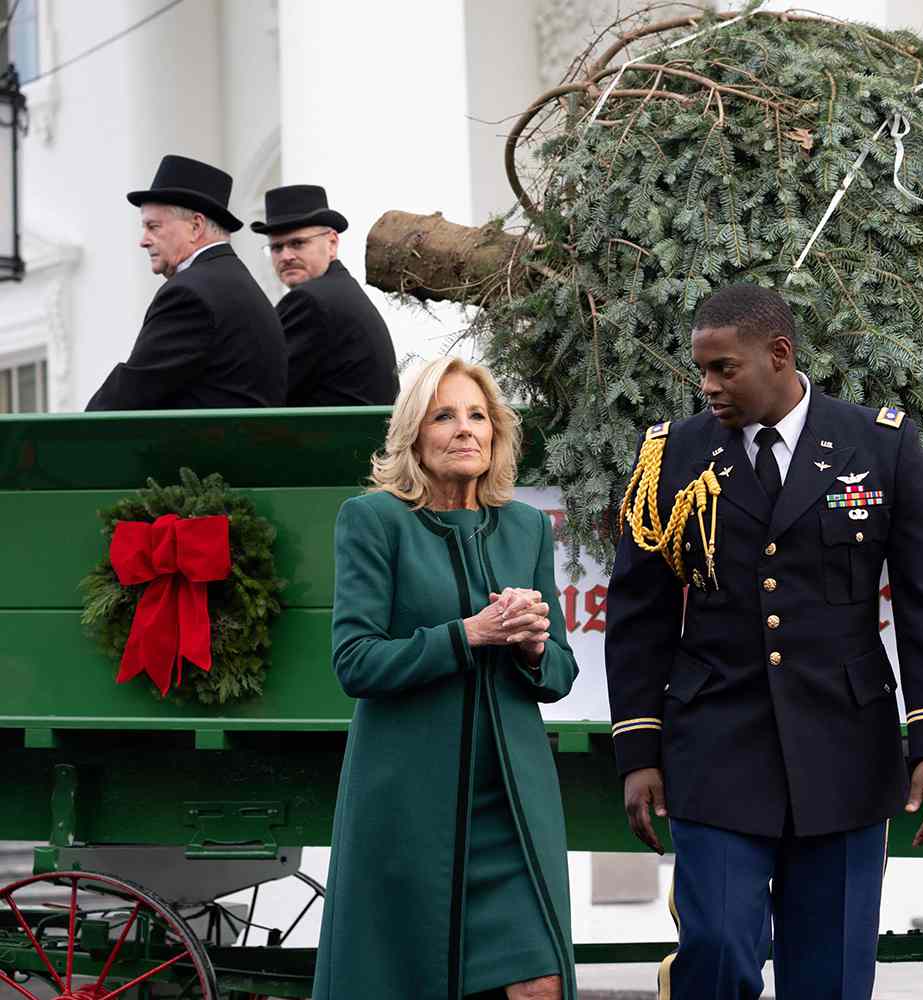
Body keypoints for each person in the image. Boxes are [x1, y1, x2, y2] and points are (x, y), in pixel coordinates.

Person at [605, 284, 923, 999]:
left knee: (830, 976)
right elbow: (639, 615)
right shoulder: (672, 455)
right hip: (715, 744)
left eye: (723, 368)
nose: (707, 387)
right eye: (702, 370)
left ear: (779, 355)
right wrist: (637, 751)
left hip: (844, 749)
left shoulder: (879, 444)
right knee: (714, 951)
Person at [313, 357, 579, 1000]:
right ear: (414, 435)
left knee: (539, 980)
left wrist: (534, 646)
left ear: (497, 434)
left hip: (512, 802)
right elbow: (355, 662)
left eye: (478, 416)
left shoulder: (523, 526)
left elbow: (561, 673)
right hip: (409, 804)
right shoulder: (373, 520)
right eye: (445, 416)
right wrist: (469, 635)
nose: (465, 430)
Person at [86, 155, 286, 410]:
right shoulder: (237, 282)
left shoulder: (190, 294)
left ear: (195, 226)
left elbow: (132, 391)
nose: (143, 240)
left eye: (153, 226)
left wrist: (68, 440)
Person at [252, 185, 399, 406]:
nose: (286, 256)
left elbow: (263, 387)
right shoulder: (339, 290)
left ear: (332, 242)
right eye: (276, 248)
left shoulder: (311, 301)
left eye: (297, 243)